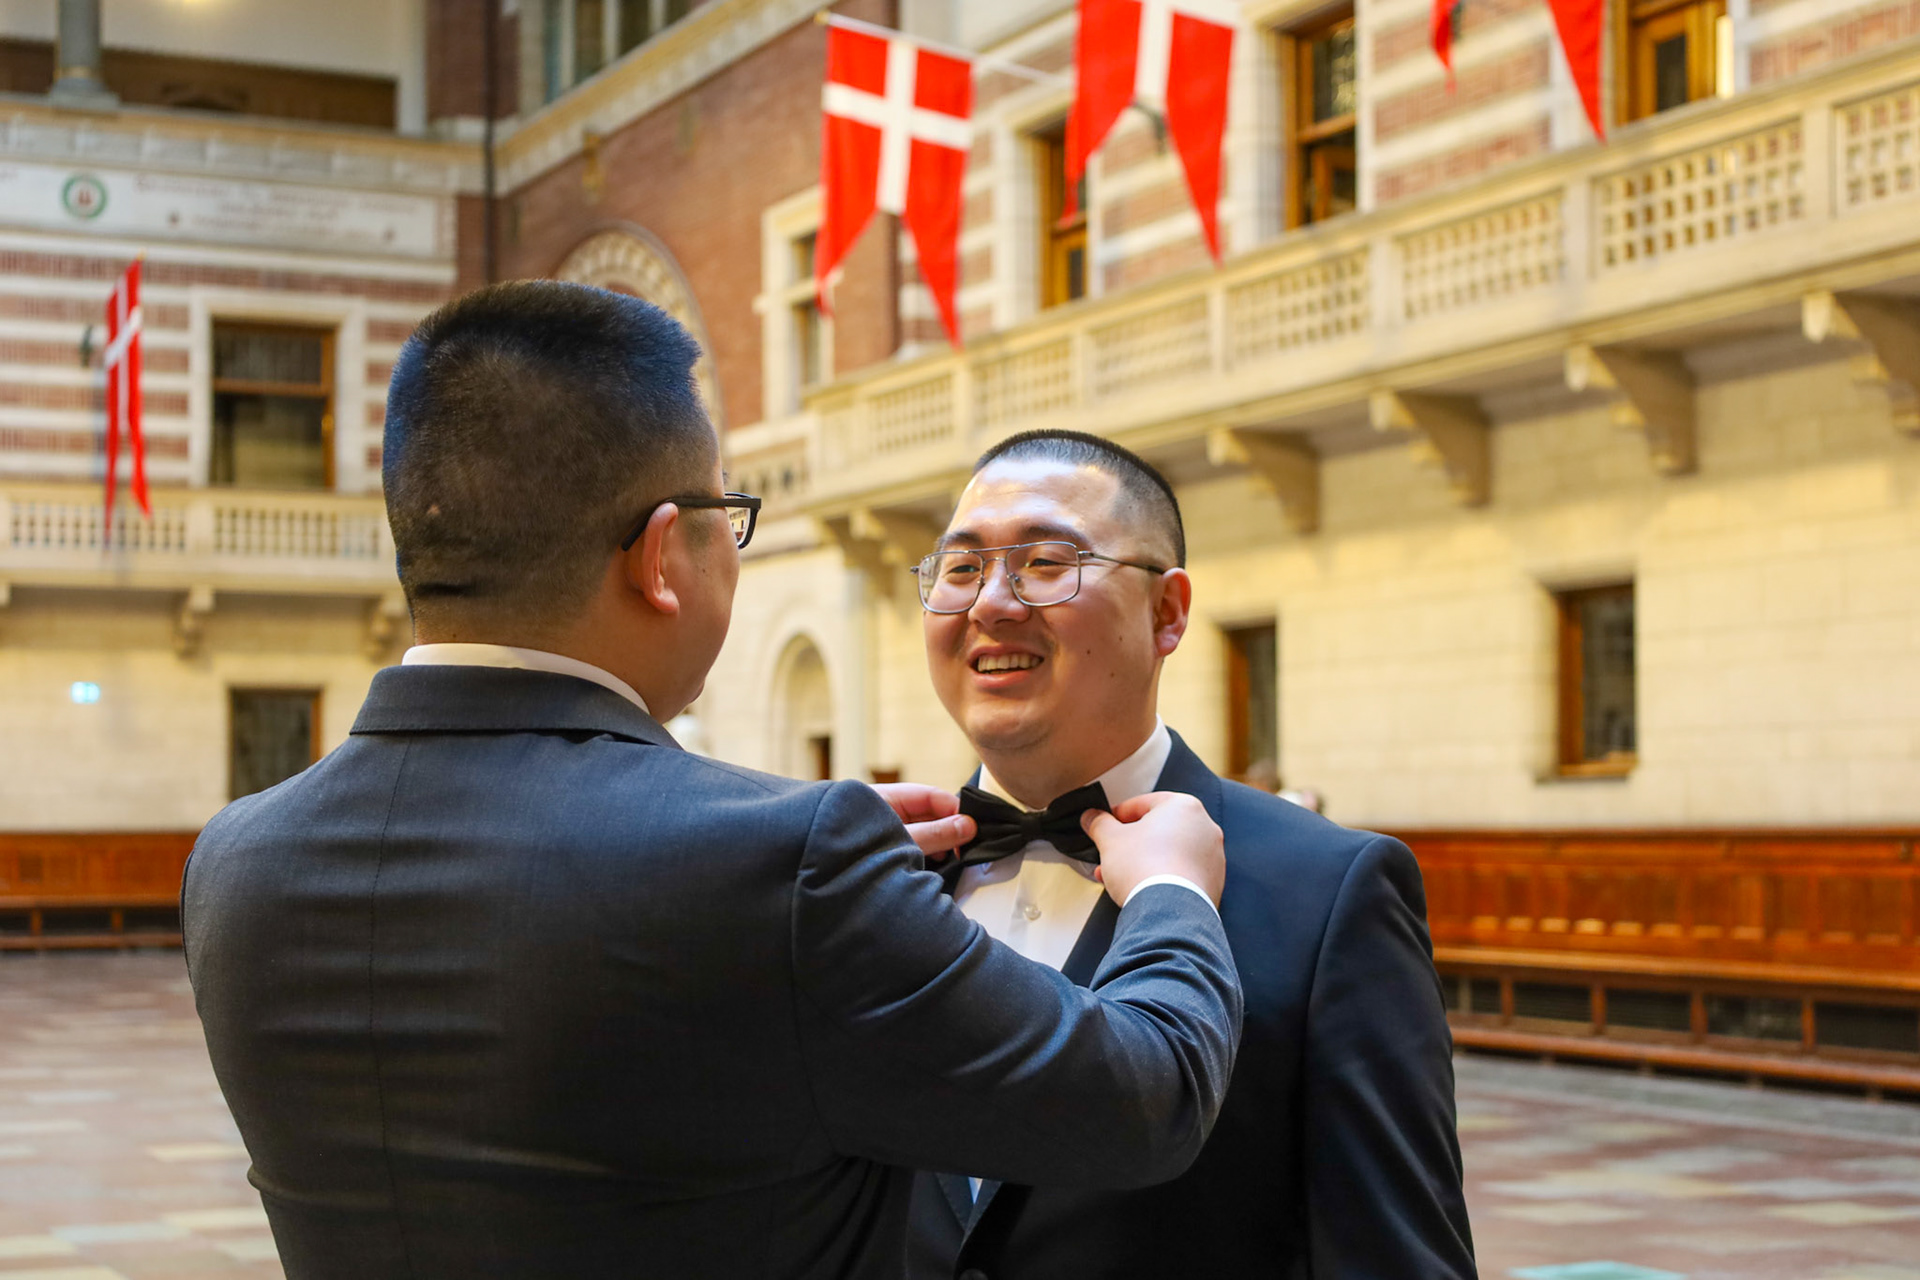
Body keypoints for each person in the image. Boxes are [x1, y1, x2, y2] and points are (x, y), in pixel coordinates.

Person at [180, 284, 1245, 1280]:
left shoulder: (236, 861)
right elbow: (1145, 1096)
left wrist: (807, 868)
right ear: (660, 557)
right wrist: (1170, 890)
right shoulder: (778, 862)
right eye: (725, 517)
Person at [904, 430, 1476, 1279]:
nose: (991, 602)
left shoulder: (1330, 893)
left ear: (1166, 613)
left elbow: (1395, 1257)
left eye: (1046, 563)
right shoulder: (870, 879)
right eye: (961, 568)